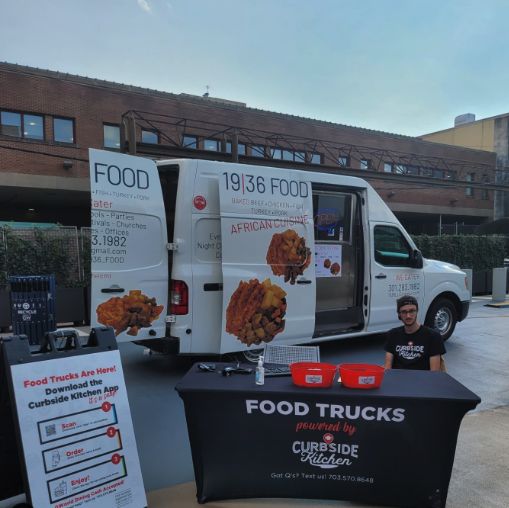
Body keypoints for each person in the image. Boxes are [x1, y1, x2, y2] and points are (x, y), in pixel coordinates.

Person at [384, 295, 445, 371]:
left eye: (412, 311)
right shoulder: (392, 335)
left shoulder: (433, 336)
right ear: (399, 314)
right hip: (399, 380)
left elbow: (434, 374)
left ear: (417, 311)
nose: (408, 316)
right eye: (404, 312)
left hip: (423, 381)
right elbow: (387, 369)